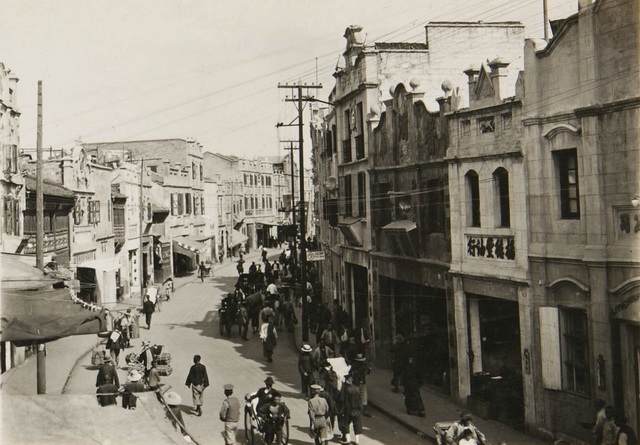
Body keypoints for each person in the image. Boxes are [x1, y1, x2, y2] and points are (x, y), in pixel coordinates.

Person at [340, 373, 363, 444]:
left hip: (349, 409)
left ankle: (348, 439)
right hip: (357, 409)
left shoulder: (346, 389)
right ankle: (357, 440)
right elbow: (360, 399)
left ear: (347, 380)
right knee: (357, 424)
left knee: (345, 423)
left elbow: (342, 399)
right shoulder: (357, 388)